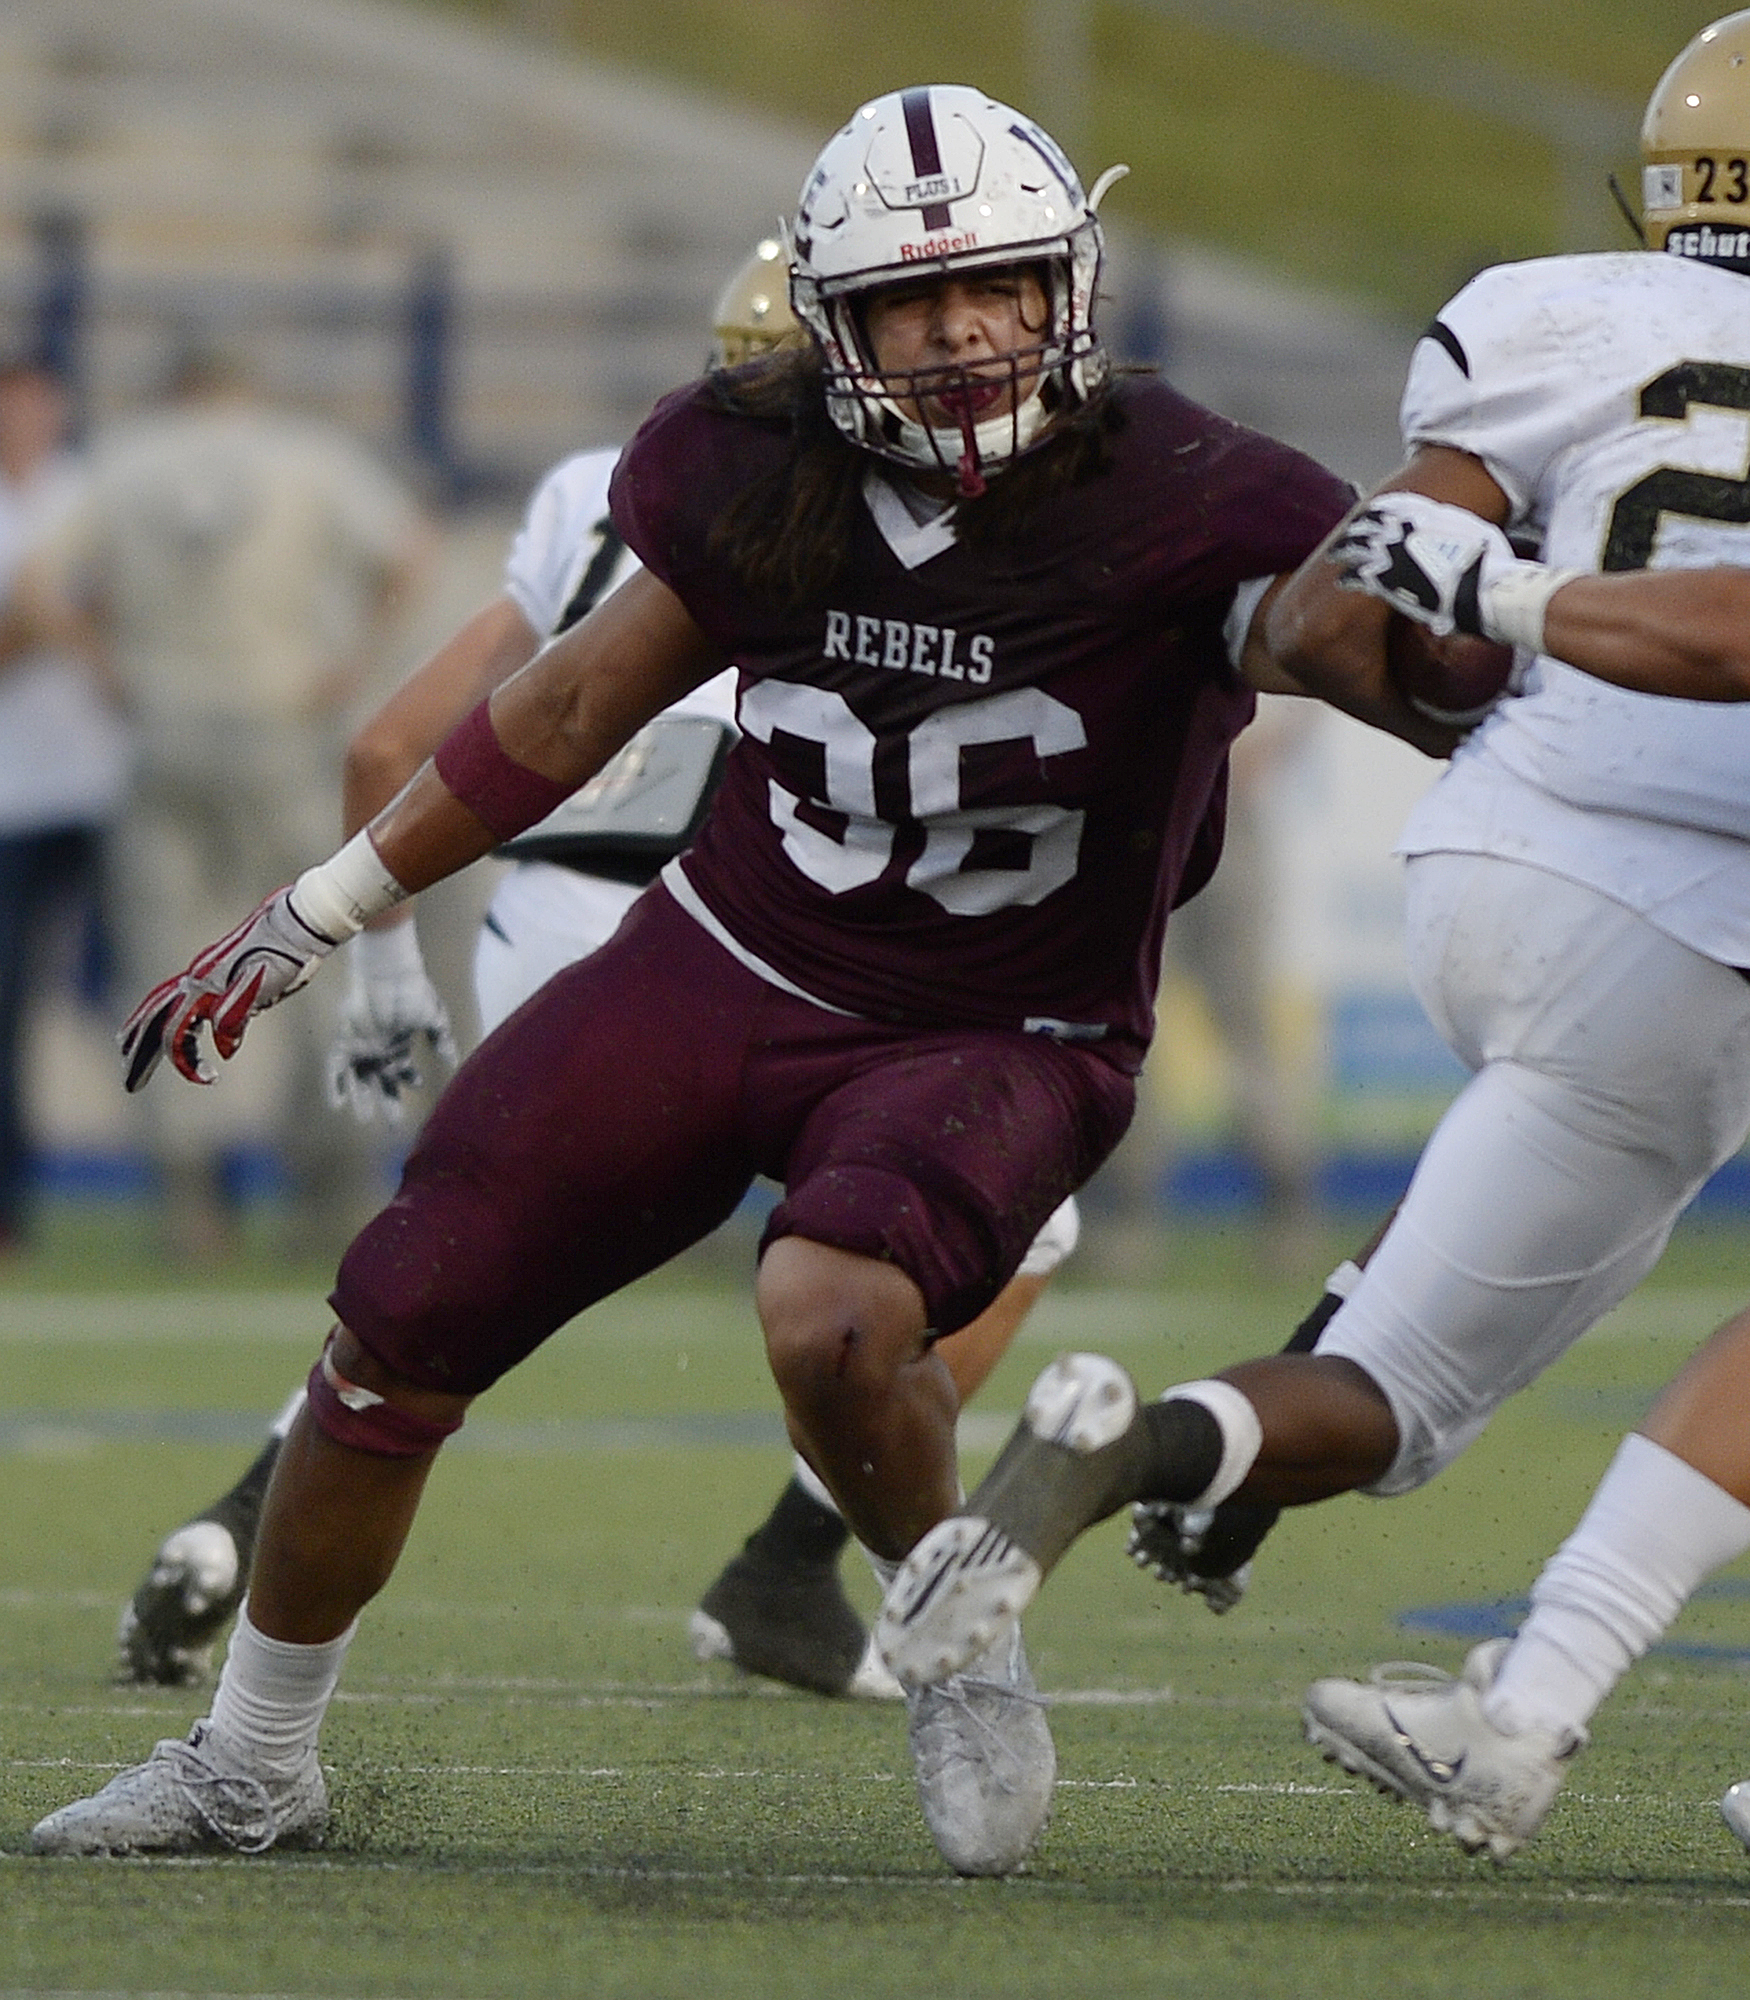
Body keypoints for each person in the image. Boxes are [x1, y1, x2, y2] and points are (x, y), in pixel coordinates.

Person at [29, 83, 1395, 1877]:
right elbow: (574, 704)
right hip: (732, 950)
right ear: (838, 327)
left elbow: (1388, 656)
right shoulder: (750, 460)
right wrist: (324, 910)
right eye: (918, 301)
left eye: (1000, 287)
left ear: (1073, 285)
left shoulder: (1197, 493)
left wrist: (1460, 641)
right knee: (401, 1307)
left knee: (829, 1317)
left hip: (1004, 1016)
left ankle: (948, 1636)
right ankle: (251, 1766)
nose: (967, 331)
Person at [875, 15, 1750, 1869]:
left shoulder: (1564, 313)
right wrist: (1526, 608)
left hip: (1505, 864)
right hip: (1710, 911)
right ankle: (1529, 1709)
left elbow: (1351, 610)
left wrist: (1486, 685)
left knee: (1400, 1394)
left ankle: (1107, 1464)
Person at [113, 242, 1083, 1705]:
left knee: (454, 1284)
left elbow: (391, 746)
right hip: (745, 944)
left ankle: (239, 1522)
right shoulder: (876, 507)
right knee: (1013, 1237)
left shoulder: (601, 479)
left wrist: (379, 981)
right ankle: (783, 1566)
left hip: (545, 943)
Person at [23, 342, 432, 1262]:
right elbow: (408, 554)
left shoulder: (123, 459)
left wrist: (105, 668)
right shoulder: (309, 454)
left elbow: (43, 586)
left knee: (167, 955)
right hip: (282, 731)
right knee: (311, 945)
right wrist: (353, 663)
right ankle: (326, 1184)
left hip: (165, 731)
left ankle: (188, 1193)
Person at [0, 355, 131, 1254]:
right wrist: (47, 622)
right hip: (13, 790)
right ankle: (14, 1197)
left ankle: (194, 1195)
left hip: (102, 777)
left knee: (159, 976)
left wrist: (60, 622)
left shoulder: (95, 496)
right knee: (10, 996)